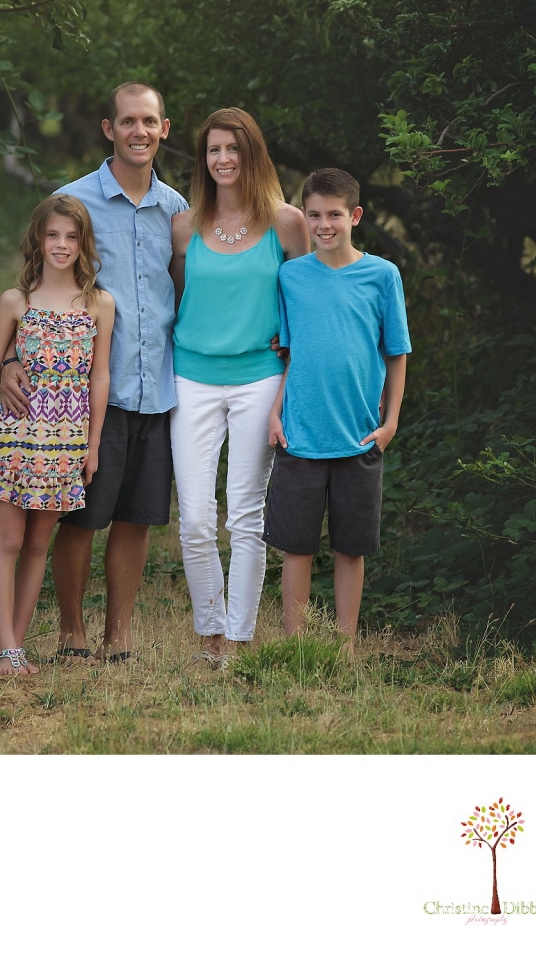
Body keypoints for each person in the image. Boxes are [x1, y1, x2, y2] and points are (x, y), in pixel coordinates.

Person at [0, 82, 187, 662]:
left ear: (164, 129)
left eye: (148, 121)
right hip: (84, 396)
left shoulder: (177, 211)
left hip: (157, 385)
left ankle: (119, 635)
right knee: (80, 517)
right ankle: (72, 631)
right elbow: (33, 288)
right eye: (127, 121)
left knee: (137, 517)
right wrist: (11, 357)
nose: (139, 131)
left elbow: (187, 288)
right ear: (109, 128)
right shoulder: (74, 202)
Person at [169, 108, 309, 667]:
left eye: (233, 149)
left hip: (259, 378)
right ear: (203, 160)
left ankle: (240, 638)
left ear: (252, 154)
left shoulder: (286, 222)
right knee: (197, 516)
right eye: (213, 151)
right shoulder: (184, 226)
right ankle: (209, 632)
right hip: (192, 378)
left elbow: (308, 299)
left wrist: (293, 357)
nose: (223, 159)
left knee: (245, 513)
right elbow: (178, 298)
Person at [264, 167, 411, 652]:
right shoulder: (291, 277)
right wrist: (275, 413)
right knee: (296, 546)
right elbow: (290, 353)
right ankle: (296, 645)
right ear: (303, 217)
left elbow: (396, 353)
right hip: (301, 433)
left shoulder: (382, 275)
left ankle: (346, 646)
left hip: (360, 435)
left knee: (351, 547)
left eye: (334, 215)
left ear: (355, 216)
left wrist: (389, 423)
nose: (324, 224)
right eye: (314, 215)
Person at [0, 195, 114, 674]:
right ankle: (5, 647)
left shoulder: (98, 304)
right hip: (17, 438)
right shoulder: (18, 300)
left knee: (37, 546)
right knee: (9, 541)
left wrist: (91, 446)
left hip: (66, 443)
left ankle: (19, 646)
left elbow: (100, 378)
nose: (62, 245)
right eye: (53, 235)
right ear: (38, 239)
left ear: (83, 243)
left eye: (72, 237)